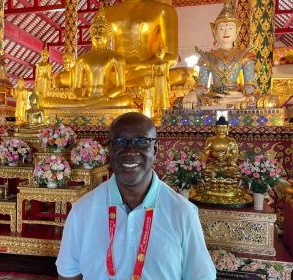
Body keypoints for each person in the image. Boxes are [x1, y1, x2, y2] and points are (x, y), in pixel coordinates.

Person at [56, 112, 216, 280]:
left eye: (141, 142)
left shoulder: (182, 212)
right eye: (119, 142)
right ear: (109, 151)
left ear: (155, 150)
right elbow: (68, 275)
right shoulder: (82, 211)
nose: (129, 151)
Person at [182, 0, 256, 110]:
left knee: (268, 102)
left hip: (237, 97)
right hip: (213, 98)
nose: (226, 32)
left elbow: (250, 85)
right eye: (222, 29)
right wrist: (193, 92)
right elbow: (202, 86)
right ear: (214, 33)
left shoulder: (245, 56)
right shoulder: (206, 57)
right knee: (179, 102)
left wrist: (241, 93)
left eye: (230, 28)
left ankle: (230, 103)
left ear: (236, 32)